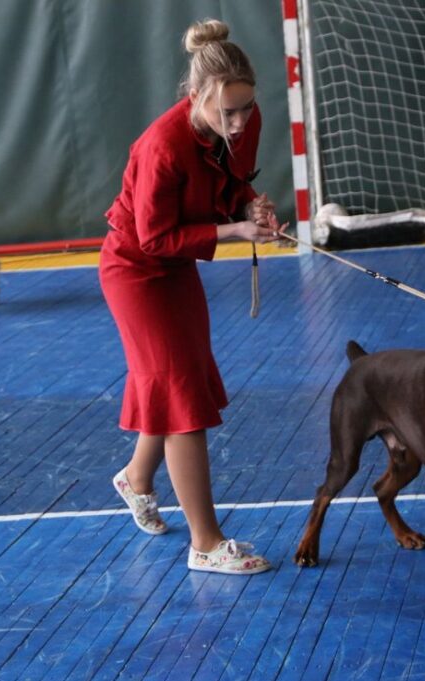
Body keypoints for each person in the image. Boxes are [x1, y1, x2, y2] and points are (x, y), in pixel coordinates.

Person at [101, 19, 282, 575]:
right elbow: (153, 238)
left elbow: (232, 182)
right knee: (180, 395)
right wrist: (236, 231)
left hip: (176, 267)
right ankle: (205, 543)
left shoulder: (244, 120)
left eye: (246, 108)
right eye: (227, 112)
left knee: (180, 380)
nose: (239, 122)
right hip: (136, 270)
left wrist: (251, 205)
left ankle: (136, 478)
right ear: (195, 94)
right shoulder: (161, 145)